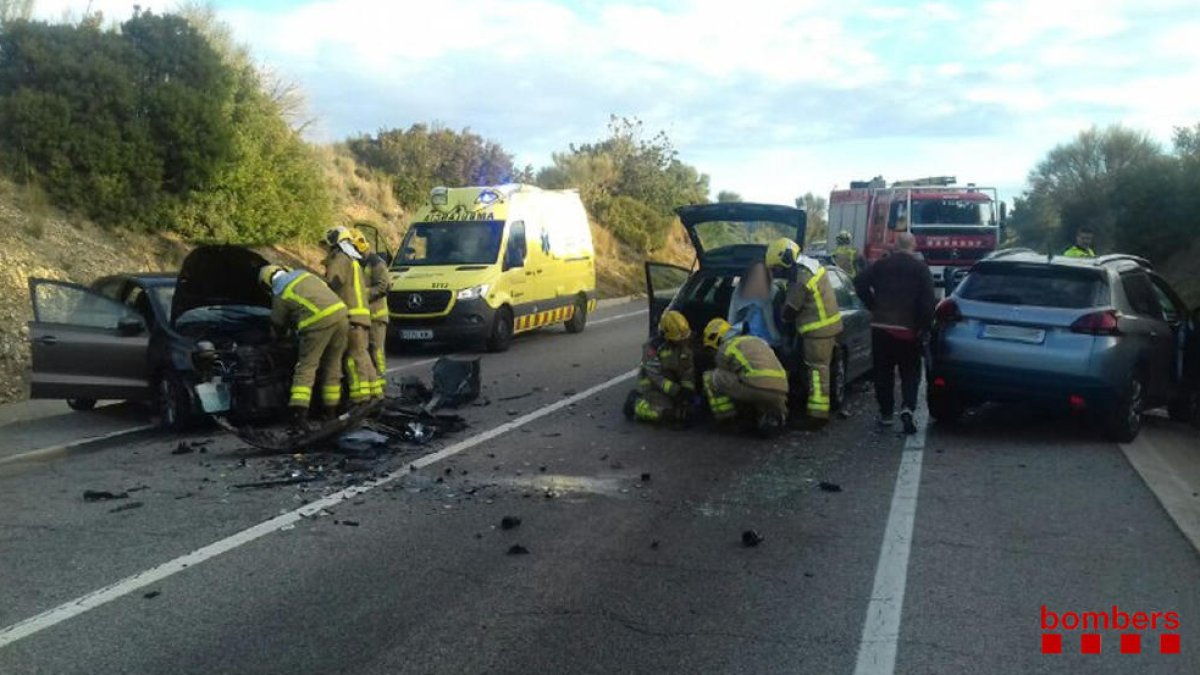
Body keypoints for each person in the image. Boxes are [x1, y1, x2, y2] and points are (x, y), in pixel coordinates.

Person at [854, 232, 936, 435]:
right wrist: (924, 327)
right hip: (908, 330)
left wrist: (873, 305)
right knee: (911, 371)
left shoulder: (881, 266)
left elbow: (859, 282)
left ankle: (886, 414)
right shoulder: (921, 269)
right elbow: (928, 303)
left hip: (881, 327)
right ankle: (907, 407)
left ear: (895, 246)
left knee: (883, 372)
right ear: (914, 246)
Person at [767, 237, 843, 426]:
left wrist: (780, 315)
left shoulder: (801, 277)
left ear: (786, 259)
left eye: (778, 268)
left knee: (817, 373)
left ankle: (817, 416)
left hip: (818, 331)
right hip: (825, 328)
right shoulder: (810, 266)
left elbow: (791, 309)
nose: (779, 273)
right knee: (820, 371)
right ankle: (815, 410)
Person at [260, 264, 349, 426]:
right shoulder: (303, 274)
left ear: (267, 284)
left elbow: (278, 324)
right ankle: (331, 413)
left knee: (306, 368)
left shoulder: (280, 292)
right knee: (333, 365)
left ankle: (298, 417)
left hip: (318, 323)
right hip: (341, 314)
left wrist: (278, 339)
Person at [700, 318, 789, 437]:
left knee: (712, 376)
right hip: (781, 390)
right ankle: (774, 416)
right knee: (757, 383)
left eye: (711, 349)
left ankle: (728, 419)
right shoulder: (758, 340)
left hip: (754, 389)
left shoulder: (725, 347)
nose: (712, 353)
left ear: (716, 339)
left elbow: (725, 378)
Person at [322, 226, 381, 403]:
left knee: (353, 359)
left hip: (351, 317)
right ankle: (375, 395)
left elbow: (333, 281)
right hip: (361, 317)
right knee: (363, 357)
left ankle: (360, 399)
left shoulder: (340, 258)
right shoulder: (354, 260)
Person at [623, 310, 697, 426]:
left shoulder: (684, 347)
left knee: (684, 411)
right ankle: (634, 404)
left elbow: (687, 371)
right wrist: (677, 391)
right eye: (679, 340)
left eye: (684, 339)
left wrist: (687, 392)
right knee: (663, 413)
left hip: (672, 385)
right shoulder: (653, 349)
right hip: (652, 387)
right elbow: (655, 377)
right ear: (668, 337)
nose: (683, 342)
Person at [352, 228, 390, 397]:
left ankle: (381, 383)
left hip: (377, 315)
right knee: (365, 351)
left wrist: (362, 294)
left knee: (377, 350)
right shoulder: (358, 263)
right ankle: (374, 384)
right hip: (364, 315)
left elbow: (383, 287)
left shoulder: (376, 263)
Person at [727, 260, 782, 347]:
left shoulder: (739, 289)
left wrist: (730, 335)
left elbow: (732, 316)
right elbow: (771, 323)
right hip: (762, 341)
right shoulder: (772, 291)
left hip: (742, 339)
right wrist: (778, 340)